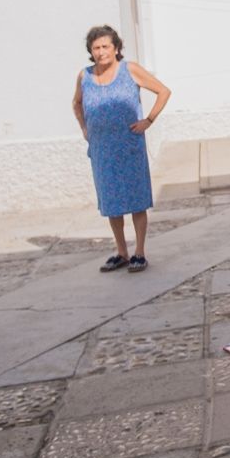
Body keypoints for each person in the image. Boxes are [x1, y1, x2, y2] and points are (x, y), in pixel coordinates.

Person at [72, 25, 171, 274]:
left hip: (129, 146)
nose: (101, 51)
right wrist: (85, 129)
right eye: (96, 48)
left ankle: (139, 252)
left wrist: (149, 120)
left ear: (116, 48)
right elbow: (76, 104)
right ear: (91, 52)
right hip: (102, 150)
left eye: (106, 46)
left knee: (136, 200)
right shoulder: (85, 76)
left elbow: (163, 91)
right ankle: (121, 252)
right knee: (111, 202)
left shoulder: (130, 70)